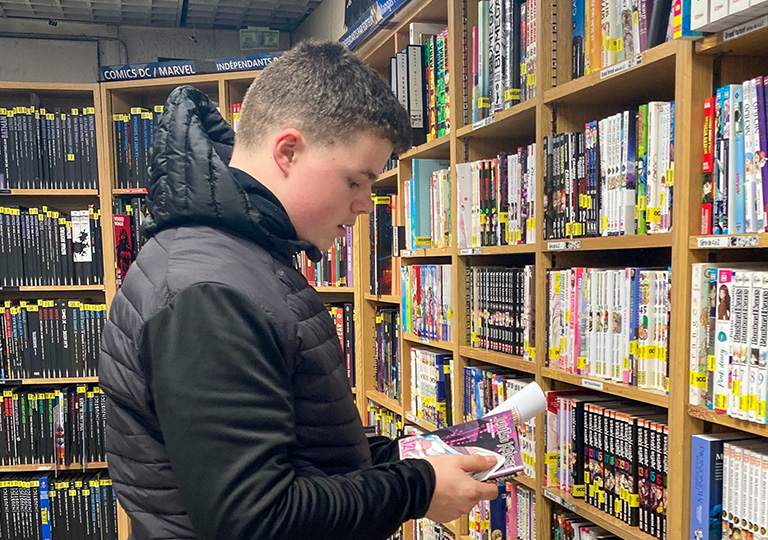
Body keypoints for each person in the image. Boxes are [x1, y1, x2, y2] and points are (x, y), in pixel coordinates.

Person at [99, 39, 499, 540]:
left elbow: (294, 449)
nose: (364, 206)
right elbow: (253, 518)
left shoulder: (242, 259)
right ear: (288, 151)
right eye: (356, 182)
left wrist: (401, 458)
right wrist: (414, 488)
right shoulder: (209, 292)